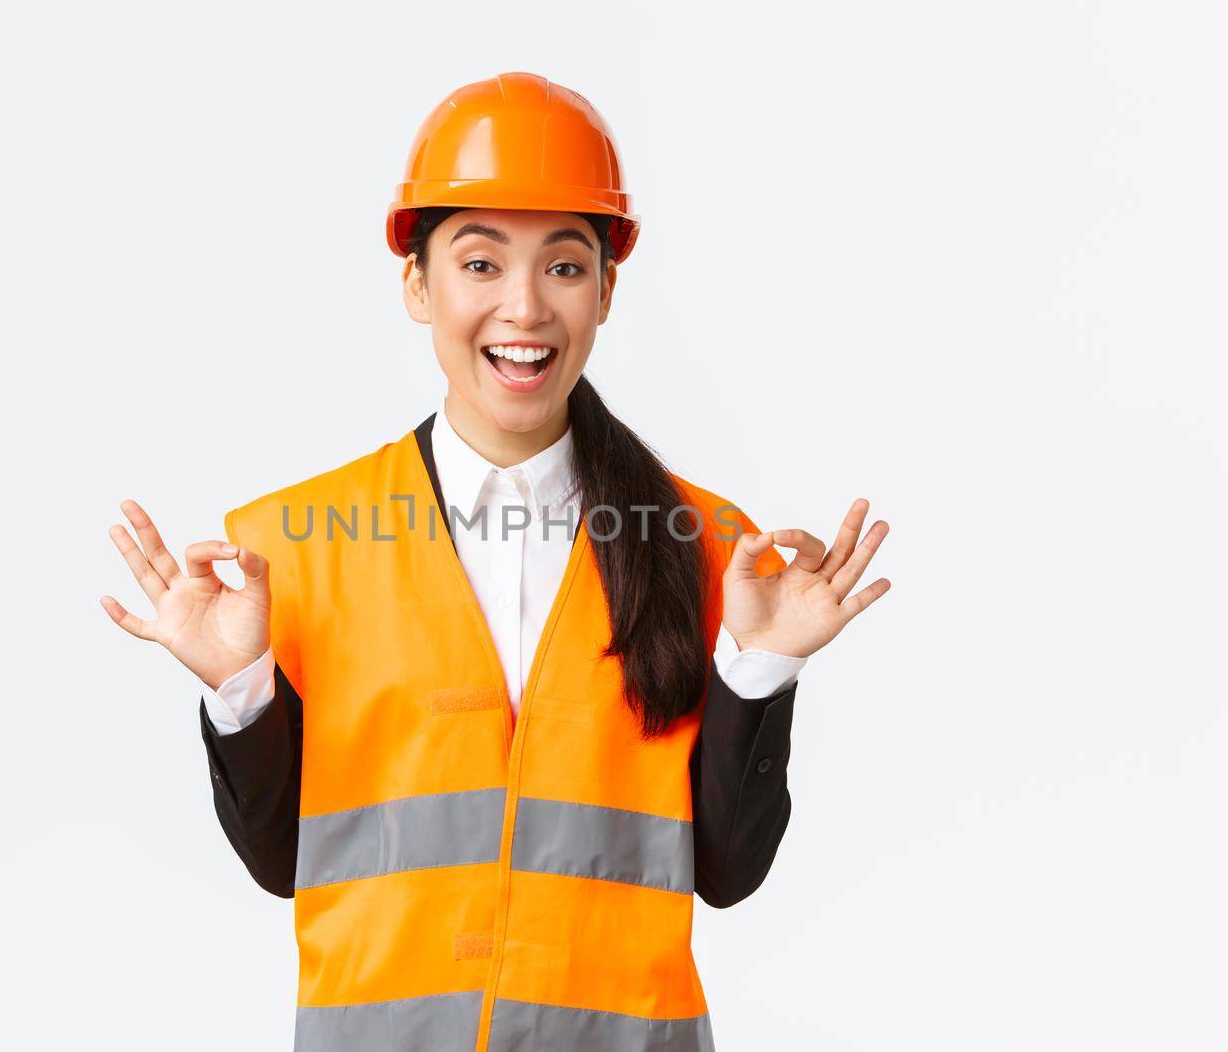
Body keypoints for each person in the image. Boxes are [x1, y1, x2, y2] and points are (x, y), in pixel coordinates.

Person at [101, 72, 890, 1052]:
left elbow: (727, 868)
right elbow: (280, 860)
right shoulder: (290, 548)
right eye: (479, 264)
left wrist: (761, 670)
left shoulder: (708, 547)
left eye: (563, 267)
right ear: (417, 284)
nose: (523, 307)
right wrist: (239, 688)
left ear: (605, 288)